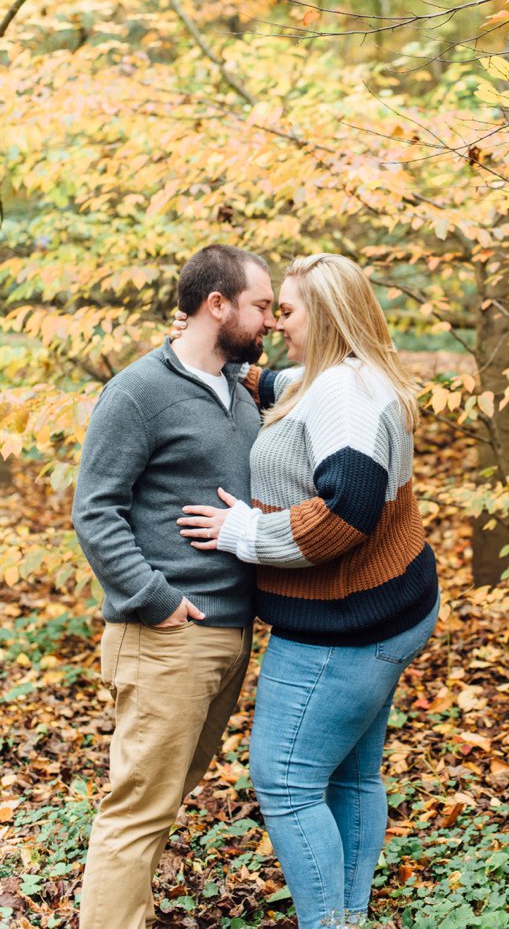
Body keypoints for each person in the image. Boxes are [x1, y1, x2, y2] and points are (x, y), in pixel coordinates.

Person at [176, 252, 440, 929]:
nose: (273, 325)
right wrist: (213, 351)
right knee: (352, 777)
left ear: (322, 316)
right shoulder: (347, 374)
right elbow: (280, 387)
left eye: (284, 312)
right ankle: (348, 917)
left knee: (288, 783)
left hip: (344, 628)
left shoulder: (342, 398)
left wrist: (243, 531)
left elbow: (344, 514)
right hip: (394, 602)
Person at [72, 244, 275, 929]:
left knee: (165, 799)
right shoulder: (138, 392)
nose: (271, 321)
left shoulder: (239, 387)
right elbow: (95, 508)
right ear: (216, 305)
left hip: (226, 634)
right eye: (261, 306)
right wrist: (156, 599)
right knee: (137, 811)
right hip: (167, 635)